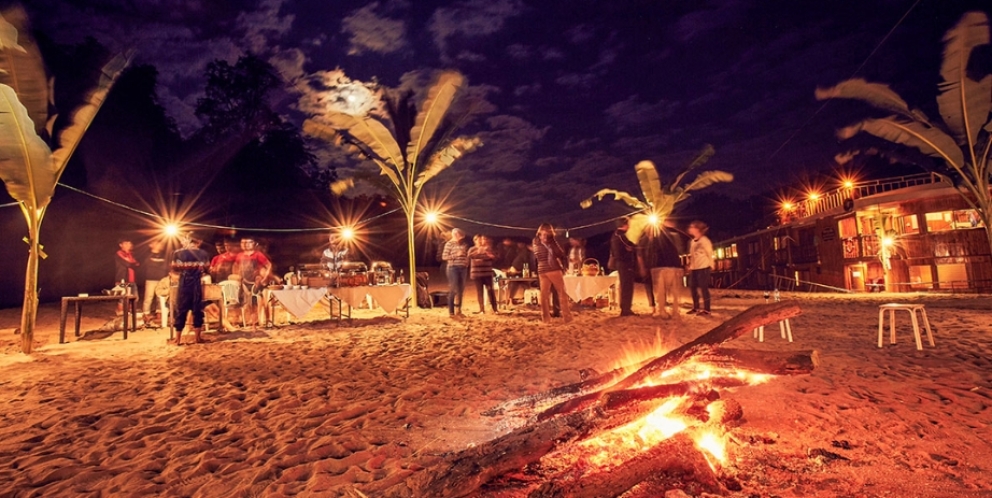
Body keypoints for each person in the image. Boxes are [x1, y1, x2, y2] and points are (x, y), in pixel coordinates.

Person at [171, 233, 210, 345]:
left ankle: (177, 339)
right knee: (197, 310)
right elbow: (207, 268)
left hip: (183, 283)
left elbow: (174, 269)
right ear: (199, 241)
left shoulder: (178, 253)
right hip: (196, 283)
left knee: (181, 310)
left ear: (188, 240)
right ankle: (198, 338)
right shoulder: (203, 253)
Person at [533, 223, 573, 324]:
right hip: (553, 269)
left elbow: (537, 255)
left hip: (541, 270)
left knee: (544, 295)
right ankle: (567, 317)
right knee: (562, 293)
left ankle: (545, 318)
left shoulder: (535, 241)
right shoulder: (551, 241)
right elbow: (559, 253)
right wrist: (553, 240)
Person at [647, 219, 686, 319]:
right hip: (674, 265)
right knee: (675, 291)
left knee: (660, 290)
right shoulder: (676, 235)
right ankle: (675, 312)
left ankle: (662, 311)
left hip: (659, 266)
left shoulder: (657, 235)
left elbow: (652, 250)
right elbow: (680, 250)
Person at [235, 236, 273, 325]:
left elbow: (268, 265)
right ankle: (255, 321)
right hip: (246, 282)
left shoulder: (258, 255)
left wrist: (264, 278)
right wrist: (238, 276)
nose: (246, 245)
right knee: (250, 303)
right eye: (243, 242)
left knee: (265, 301)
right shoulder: (240, 255)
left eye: (248, 242)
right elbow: (236, 266)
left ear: (253, 244)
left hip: (259, 282)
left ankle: (269, 320)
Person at [609, 217, 638, 316]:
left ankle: (625, 308)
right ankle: (626, 309)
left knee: (625, 285)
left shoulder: (615, 235)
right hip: (625, 263)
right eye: (628, 223)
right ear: (624, 224)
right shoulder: (621, 235)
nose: (629, 226)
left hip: (620, 263)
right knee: (627, 286)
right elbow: (630, 246)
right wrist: (633, 248)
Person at [687, 220, 715, 315]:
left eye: (692, 227)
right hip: (694, 268)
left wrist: (711, 265)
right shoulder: (692, 241)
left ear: (697, 229)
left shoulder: (705, 240)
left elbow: (709, 253)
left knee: (704, 288)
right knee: (692, 287)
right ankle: (696, 307)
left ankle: (707, 309)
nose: (690, 229)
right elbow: (692, 255)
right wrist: (690, 265)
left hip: (703, 267)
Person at [442, 228, 470, 318]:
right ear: (455, 234)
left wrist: (466, 262)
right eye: (459, 235)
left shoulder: (464, 245)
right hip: (453, 268)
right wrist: (455, 255)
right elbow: (444, 257)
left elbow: (466, 255)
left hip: (463, 268)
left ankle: (459, 310)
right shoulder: (449, 244)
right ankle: (451, 312)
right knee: (453, 289)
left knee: (461, 290)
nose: (461, 237)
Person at [468, 235, 499, 314]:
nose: (480, 241)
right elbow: (470, 256)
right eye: (478, 240)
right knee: (480, 291)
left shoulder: (488, 249)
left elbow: (495, 258)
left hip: (487, 272)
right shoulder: (472, 249)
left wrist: (488, 254)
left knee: (490, 290)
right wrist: (478, 251)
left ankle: (495, 309)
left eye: (481, 240)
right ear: (475, 241)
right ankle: (481, 309)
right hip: (477, 274)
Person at [142, 240, 169, 324]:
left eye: (160, 243)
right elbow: (145, 264)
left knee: (160, 298)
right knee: (148, 297)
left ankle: (159, 314)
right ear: (151, 245)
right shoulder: (147, 254)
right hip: (150, 279)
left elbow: (165, 266)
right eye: (157, 243)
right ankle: (146, 314)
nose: (160, 245)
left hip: (161, 279)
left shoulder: (164, 255)